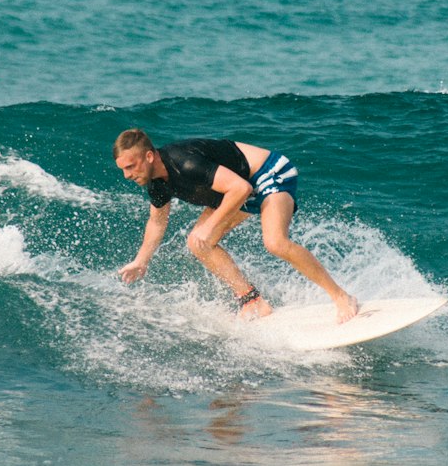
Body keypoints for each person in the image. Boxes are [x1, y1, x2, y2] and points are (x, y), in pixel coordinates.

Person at [113, 129, 359, 322]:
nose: (127, 175)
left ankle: (341, 297)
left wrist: (212, 226)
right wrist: (141, 261)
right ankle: (252, 301)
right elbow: (157, 222)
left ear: (148, 156)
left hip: (268, 173)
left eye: (130, 167)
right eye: (123, 169)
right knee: (198, 243)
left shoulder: (184, 163)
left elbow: (242, 189)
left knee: (275, 242)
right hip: (238, 188)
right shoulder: (156, 183)